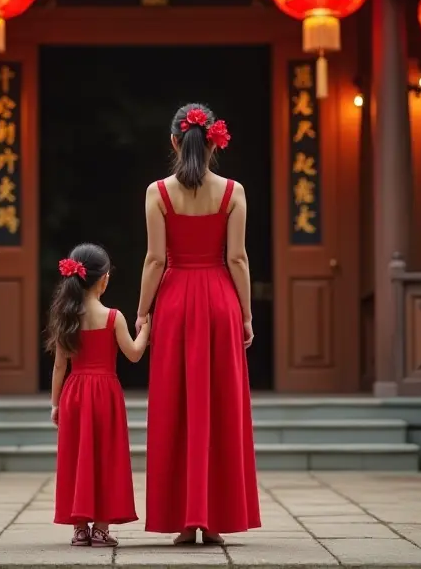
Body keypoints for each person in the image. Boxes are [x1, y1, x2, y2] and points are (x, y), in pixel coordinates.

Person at [136, 103, 261, 544]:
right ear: (214, 142)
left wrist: (142, 311)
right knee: (220, 406)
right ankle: (214, 518)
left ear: (174, 141)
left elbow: (154, 259)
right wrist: (245, 314)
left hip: (173, 302)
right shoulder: (233, 192)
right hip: (219, 301)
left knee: (175, 406)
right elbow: (237, 258)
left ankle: (184, 520)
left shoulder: (157, 192)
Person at [47, 243, 151, 547]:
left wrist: (55, 405)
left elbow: (58, 367)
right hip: (105, 393)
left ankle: (79, 527)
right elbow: (133, 354)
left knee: (78, 455)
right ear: (104, 279)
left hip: (75, 393)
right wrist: (146, 328)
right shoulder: (114, 317)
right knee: (106, 456)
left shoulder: (67, 318)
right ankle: (102, 529)